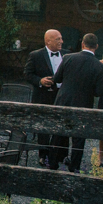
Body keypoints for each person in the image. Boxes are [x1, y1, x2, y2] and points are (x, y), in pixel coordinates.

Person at [52, 33, 103, 173]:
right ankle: (74, 166)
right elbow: (99, 92)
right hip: (83, 104)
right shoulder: (99, 66)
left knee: (58, 132)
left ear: (82, 44)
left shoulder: (68, 58)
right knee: (79, 137)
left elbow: (57, 79)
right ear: (96, 47)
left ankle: (52, 162)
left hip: (64, 101)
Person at [24, 29, 65, 169]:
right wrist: (40, 81)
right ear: (48, 41)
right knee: (43, 126)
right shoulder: (36, 55)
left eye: (61, 39)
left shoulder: (66, 55)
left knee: (60, 125)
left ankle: (59, 155)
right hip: (42, 95)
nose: (61, 42)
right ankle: (43, 155)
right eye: (58, 39)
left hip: (60, 96)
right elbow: (27, 74)